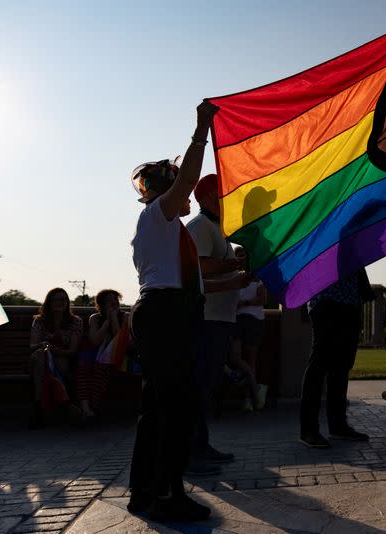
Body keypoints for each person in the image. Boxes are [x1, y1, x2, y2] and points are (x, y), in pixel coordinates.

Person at [127, 101, 249, 522]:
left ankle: (145, 493)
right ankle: (166, 494)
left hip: (166, 311)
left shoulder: (163, 228)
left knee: (158, 409)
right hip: (165, 317)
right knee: (176, 408)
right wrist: (201, 130)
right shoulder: (158, 215)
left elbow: (189, 284)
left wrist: (231, 281)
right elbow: (191, 179)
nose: (185, 191)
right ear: (167, 189)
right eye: (178, 183)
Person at [186, 173, 248, 471]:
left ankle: (200, 445)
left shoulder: (214, 228)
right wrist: (236, 267)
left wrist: (237, 276)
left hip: (219, 318)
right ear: (209, 197)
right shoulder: (200, 227)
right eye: (222, 193)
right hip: (207, 319)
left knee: (206, 386)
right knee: (200, 386)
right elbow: (197, 269)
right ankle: (194, 450)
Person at [299, 269, 375, 448]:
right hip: (325, 301)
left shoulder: (354, 241)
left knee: (341, 367)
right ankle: (308, 429)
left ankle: (338, 425)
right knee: (319, 364)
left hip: (349, 302)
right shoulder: (322, 240)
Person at [28, 288, 84, 428]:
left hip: (62, 359)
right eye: (56, 299)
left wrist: (55, 350)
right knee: (41, 356)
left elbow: (72, 351)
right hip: (40, 358)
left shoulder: (75, 321)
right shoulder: (39, 321)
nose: (60, 302)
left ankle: (39, 407)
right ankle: (55, 404)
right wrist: (43, 345)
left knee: (48, 363)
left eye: (63, 299)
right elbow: (32, 346)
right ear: (49, 302)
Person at [76, 289, 129, 417]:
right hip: (95, 355)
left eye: (115, 299)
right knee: (83, 367)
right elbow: (95, 341)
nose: (114, 302)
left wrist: (114, 318)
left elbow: (119, 340)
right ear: (101, 304)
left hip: (118, 357)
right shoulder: (94, 318)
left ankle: (92, 408)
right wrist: (107, 322)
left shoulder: (125, 316)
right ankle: (85, 406)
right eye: (109, 300)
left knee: (101, 368)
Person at [227, 245, 268, 412]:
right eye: (236, 254)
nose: (239, 257)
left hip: (254, 320)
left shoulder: (257, 276)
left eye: (242, 254)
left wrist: (244, 303)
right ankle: (257, 390)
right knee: (235, 357)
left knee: (251, 359)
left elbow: (262, 298)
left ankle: (249, 399)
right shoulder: (231, 277)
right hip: (236, 320)